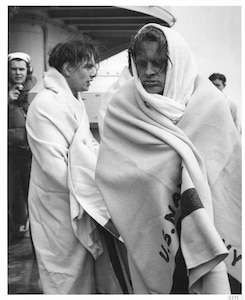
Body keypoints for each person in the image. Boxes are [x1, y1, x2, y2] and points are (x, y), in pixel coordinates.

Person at [95, 24, 241, 294]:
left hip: (213, 234)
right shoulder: (122, 108)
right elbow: (111, 173)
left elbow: (229, 175)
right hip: (153, 237)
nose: (149, 72)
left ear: (178, 64)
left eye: (159, 63)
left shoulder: (210, 103)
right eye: (141, 63)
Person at [26, 36, 128, 294]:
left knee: (84, 274)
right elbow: (53, 166)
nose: (95, 72)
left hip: (78, 201)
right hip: (59, 205)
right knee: (64, 275)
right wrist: (92, 194)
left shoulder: (73, 100)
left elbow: (88, 147)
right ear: (68, 68)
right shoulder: (45, 104)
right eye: (88, 66)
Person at [8, 52, 36, 244]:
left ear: (28, 71)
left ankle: (36, 244)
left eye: (21, 69)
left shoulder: (35, 91)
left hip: (28, 154)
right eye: (14, 69)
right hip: (8, 154)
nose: (18, 73)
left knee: (32, 200)